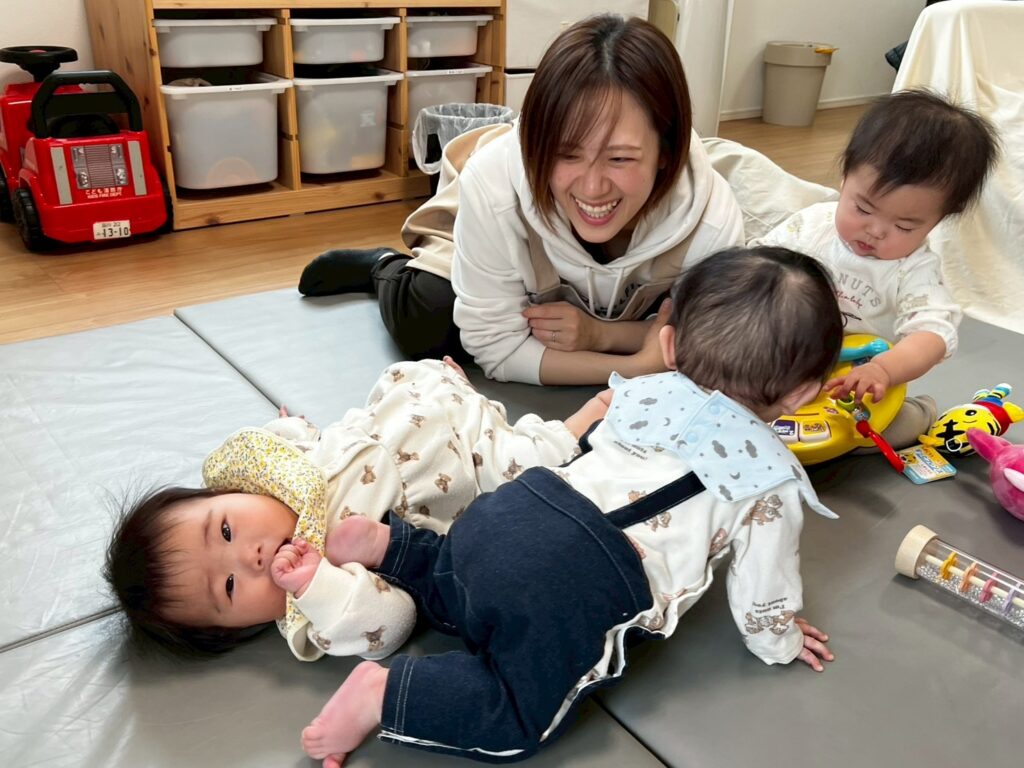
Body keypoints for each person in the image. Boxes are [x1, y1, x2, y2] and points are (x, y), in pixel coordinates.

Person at [287, 246, 842, 767]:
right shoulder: (771, 480)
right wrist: (779, 639)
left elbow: (587, 449)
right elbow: (762, 589)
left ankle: (395, 548)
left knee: (460, 581)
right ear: (803, 393)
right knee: (516, 713)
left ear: (669, 344)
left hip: (514, 508)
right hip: (575, 579)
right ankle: (385, 694)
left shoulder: (641, 391)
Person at [299, 14, 744, 385]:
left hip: (607, 305)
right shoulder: (494, 184)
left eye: (620, 158)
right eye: (567, 154)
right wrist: (635, 366)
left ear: (665, 151)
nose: (593, 188)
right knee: (430, 317)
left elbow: (710, 340)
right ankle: (384, 267)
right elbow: (496, 348)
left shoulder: (710, 219)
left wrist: (601, 335)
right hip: (495, 238)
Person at [105, 357, 609, 661]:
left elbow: (297, 435)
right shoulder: (315, 600)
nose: (250, 557)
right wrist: (315, 586)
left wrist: (288, 426)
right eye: (230, 587)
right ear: (234, 629)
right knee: (529, 467)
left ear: (223, 494)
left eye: (225, 531)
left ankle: (458, 387)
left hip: (408, 412)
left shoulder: (267, 473)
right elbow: (388, 625)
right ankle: (573, 427)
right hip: (471, 469)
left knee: (404, 376)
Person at [755, 89, 998, 445]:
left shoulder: (913, 271)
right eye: (863, 209)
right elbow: (753, 270)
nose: (876, 230)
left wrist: (883, 370)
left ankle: (920, 411)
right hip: (781, 356)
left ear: (940, 219)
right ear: (844, 178)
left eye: (904, 226)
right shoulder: (810, 227)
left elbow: (931, 336)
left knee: (895, 428)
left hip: (856, 380)